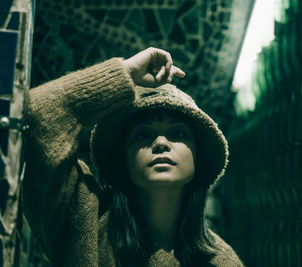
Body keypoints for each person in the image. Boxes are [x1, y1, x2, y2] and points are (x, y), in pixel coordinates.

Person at [23, 47, 244, 266]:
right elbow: (38, 117)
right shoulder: (84, 219)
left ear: (198, 156)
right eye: (143, 134)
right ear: (123, 158)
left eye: (177, 133)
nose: (160, 143)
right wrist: (125, 73)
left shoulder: (220, 262)